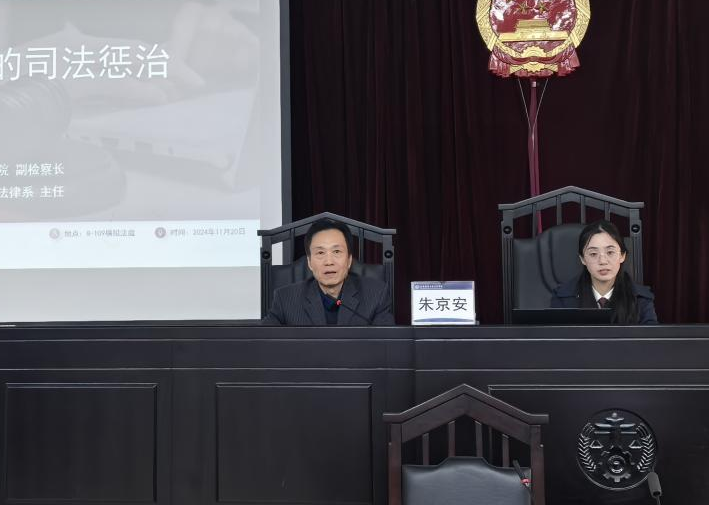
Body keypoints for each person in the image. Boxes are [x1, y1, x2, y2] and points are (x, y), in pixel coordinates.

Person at [262, 218, 395, 326]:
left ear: (349, 260)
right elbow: (264, 343)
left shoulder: (376, 295)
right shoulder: (285, 299)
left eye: (336, 251)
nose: (329, 261)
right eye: (320, 253)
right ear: (309, 262)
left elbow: (386, 346)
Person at [550, 219, 658, 324]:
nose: (602, 261)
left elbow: (651, 335)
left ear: (622, 256)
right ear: (582, 259)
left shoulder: (641, 299)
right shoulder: (562, 299)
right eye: (593, 254)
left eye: (610, 252)